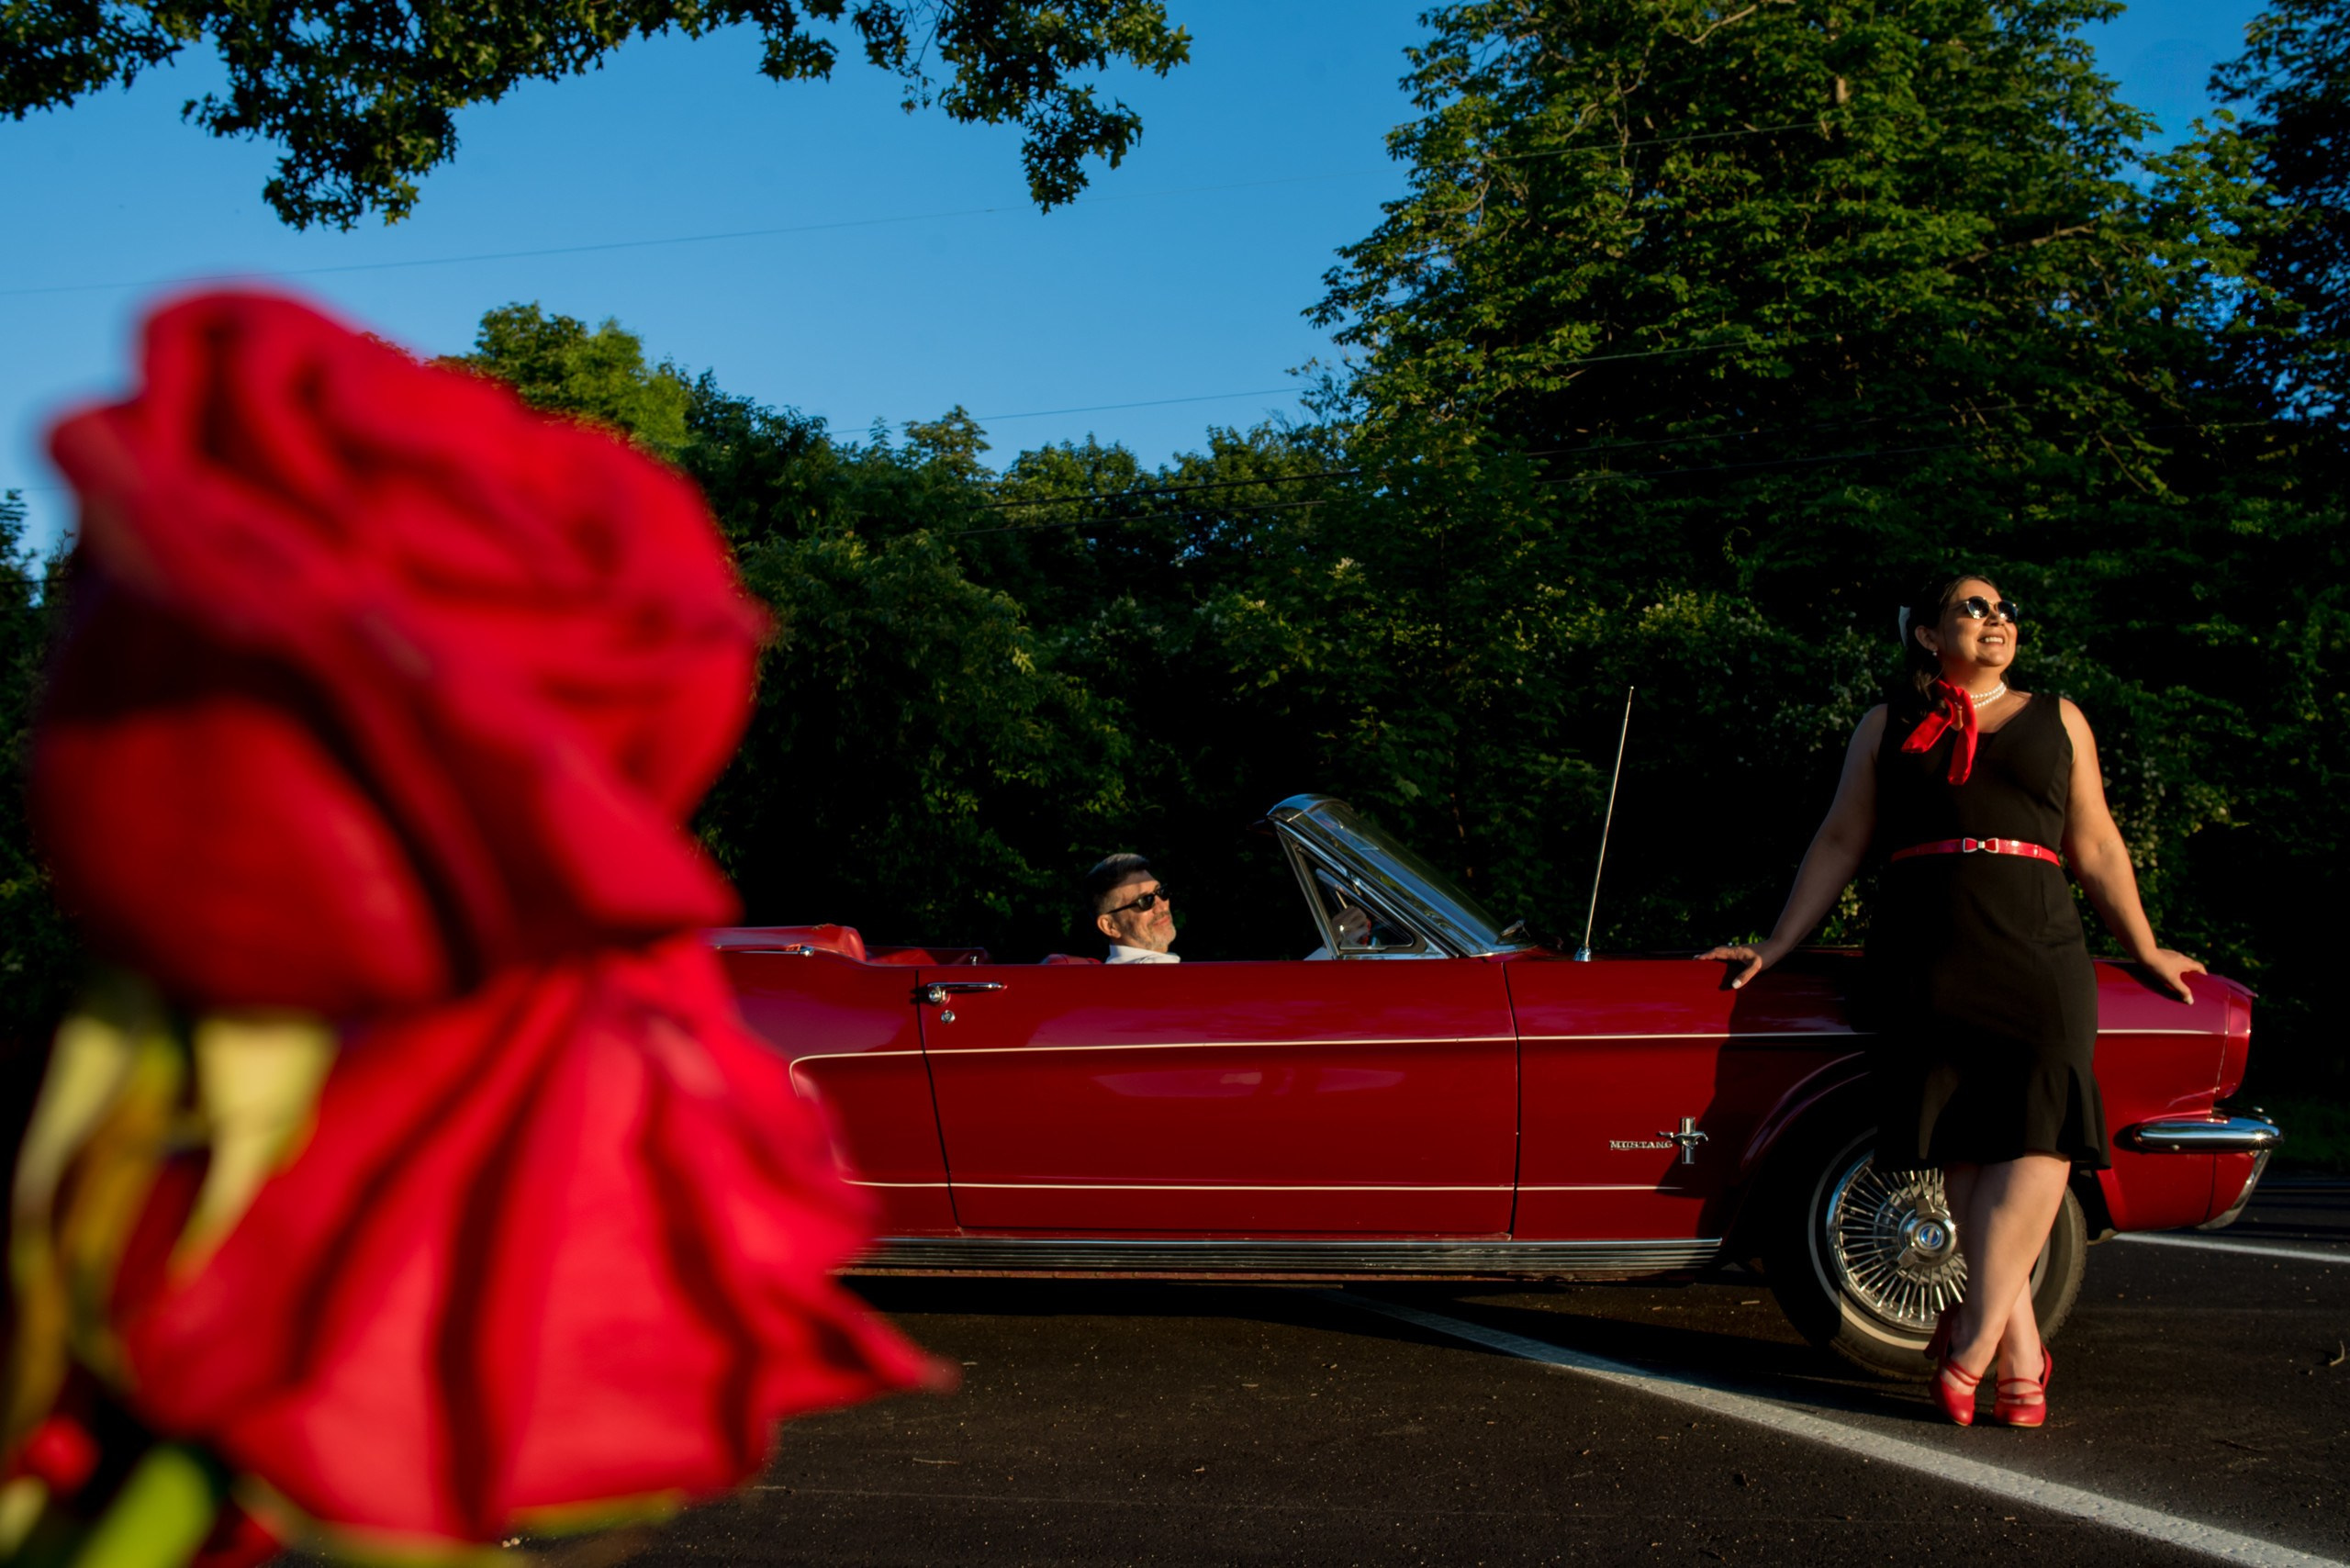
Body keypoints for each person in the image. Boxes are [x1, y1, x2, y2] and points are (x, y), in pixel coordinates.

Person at [1701, 570, 2203, 1428]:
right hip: (1925, 949)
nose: (1997, 619)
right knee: (1964, 1149)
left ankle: (1970, 1342)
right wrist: (1781, 942)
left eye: (2005, 608)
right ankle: (2020, 1358)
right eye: (1974, 607)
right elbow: (1841, 837)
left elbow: (2097, 843)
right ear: (1929, 636)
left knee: (2040, 1130)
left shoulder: (2059, 718)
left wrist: (2145, 945)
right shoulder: (1886, 725)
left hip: (2039, 945)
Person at [1085, 854, 1179, 963]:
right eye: (1145, 900)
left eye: (1162, 892)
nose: (1162, 906)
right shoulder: (1154, 977)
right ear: (1110, 926)